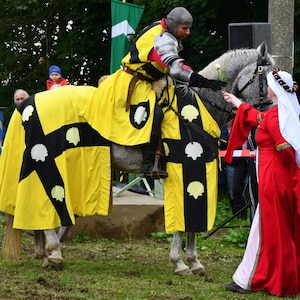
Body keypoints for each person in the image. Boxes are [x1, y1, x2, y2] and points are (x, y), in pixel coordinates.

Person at [85, 7, 225, 179]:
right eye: (185, 28)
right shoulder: (160, 37)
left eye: (189, 28)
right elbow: (175, 69)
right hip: (133, 83)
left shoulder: (167, 30)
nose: (188, 32)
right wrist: (201, 81)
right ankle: (147, 163)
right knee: (156, 114)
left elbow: (175, 63)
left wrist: (194, 74)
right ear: (174, 25)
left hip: (150, 81)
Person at [222, 68, 300, 297]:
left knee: (265, 228)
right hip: (273, 177)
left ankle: (248, 279)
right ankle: (274, 277)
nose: (266, 88)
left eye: (267, 84)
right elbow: (256, 117)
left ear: (273, 89)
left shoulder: (277, 117)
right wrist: (237, 102)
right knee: (271, 228)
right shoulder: (279, 113)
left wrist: (290, 178)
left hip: (274, 180)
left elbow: (285, 150)